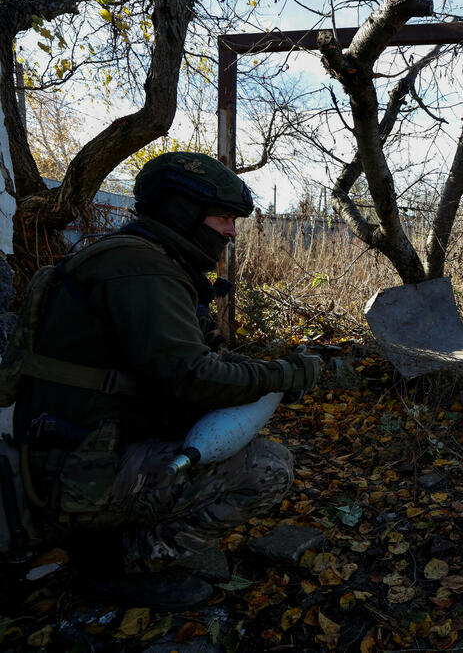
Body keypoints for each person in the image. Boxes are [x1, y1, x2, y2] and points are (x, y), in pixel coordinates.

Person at [7, 152, 322, 608]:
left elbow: (189, 360)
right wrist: (285, 373)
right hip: (74, 476)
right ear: (182, 211)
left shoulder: (134, 259)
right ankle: (119, 566)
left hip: (75, 453)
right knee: (268, 469)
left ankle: (108, 537)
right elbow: (191, 377)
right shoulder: (143, 270)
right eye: (223, 217)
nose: (231, 231)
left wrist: (263, 374)